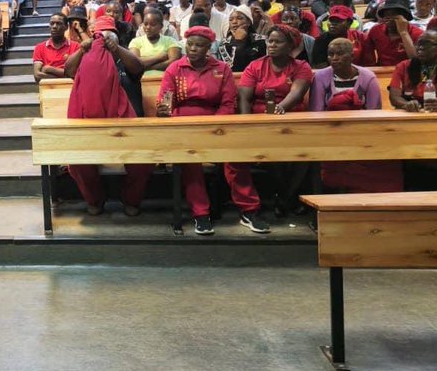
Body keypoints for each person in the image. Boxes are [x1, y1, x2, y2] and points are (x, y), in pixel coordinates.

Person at [61, 15, 152, 216]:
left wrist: (116, 49)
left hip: (128, 130)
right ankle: (96, 198)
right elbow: (68, 71)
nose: (102, 40)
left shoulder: (123, 58)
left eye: (109, 35)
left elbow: (138, 67)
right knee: (77, 164)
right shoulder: (88, 62)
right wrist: (84, 49)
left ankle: (130, 198)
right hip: (93, 128)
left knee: (143, 161)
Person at [156, 26, 237, 235]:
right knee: (190, 160)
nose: (193, 49)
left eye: (199, 46)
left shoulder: (222, 69)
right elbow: (165, 100)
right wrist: (165, 112)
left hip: (215, 126)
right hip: (182, 126)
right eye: (190, 44)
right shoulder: (175, 68)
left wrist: (215, 127)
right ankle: (201, 214)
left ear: (209, 48)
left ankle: (250, 210)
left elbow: (228, 104)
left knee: (237, 158)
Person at [233, 25, 314, 227]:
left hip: (291, 119)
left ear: (290, 46)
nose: (272, 45)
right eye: (270, 41)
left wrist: (280, 109)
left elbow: (296, 94)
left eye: (278, 42)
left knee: (305, 155)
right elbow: (244, 97)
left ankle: (284, 197)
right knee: (273, 152)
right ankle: (287, 199)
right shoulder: (256, 66)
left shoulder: (301, 66)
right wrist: (246, 122)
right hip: (260, 120)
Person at [310, 38, 402, 193]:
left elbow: (374, 111)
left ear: (352, 57)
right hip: (329, 130)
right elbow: (316, 111)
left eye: (339, 54)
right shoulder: (320, 77)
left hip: (362, 130)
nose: (334, 58)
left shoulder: (368, 77)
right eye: (330, 54)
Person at [364, 0, 421, 66]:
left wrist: (404, 33)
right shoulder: (376, 30)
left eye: (393, 14)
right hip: (382, 72)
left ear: (405, 17)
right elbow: (368, 59)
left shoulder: (418, 33)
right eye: (386, 14)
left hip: (407, 72)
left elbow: (416, 62)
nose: (388, 18)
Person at [32, 13, 80, 81]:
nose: (54, 26)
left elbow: (77, 74)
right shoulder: (39, 48)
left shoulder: (76, 46)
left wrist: (49, 69)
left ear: (66, 27)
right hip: (47, 88)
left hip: (70, 88)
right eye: (52, 23)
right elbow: (37, 75)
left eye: (59, 23)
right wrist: (66, 76)